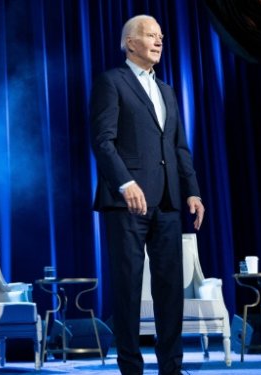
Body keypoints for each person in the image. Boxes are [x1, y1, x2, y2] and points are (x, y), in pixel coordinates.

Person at [89, 14, 205, 375]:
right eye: (150, 36)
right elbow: (103, 141)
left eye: (161, 36)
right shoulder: (112, 81)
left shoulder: (167, 89)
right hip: (127, 203)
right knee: (127, 287)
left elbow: (179, 147)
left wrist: (193, 192)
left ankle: (171, 367)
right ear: (130, 43)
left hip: (169, 201)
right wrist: (125, 183)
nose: (158, 41)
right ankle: (131, 368)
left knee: (170, 290)